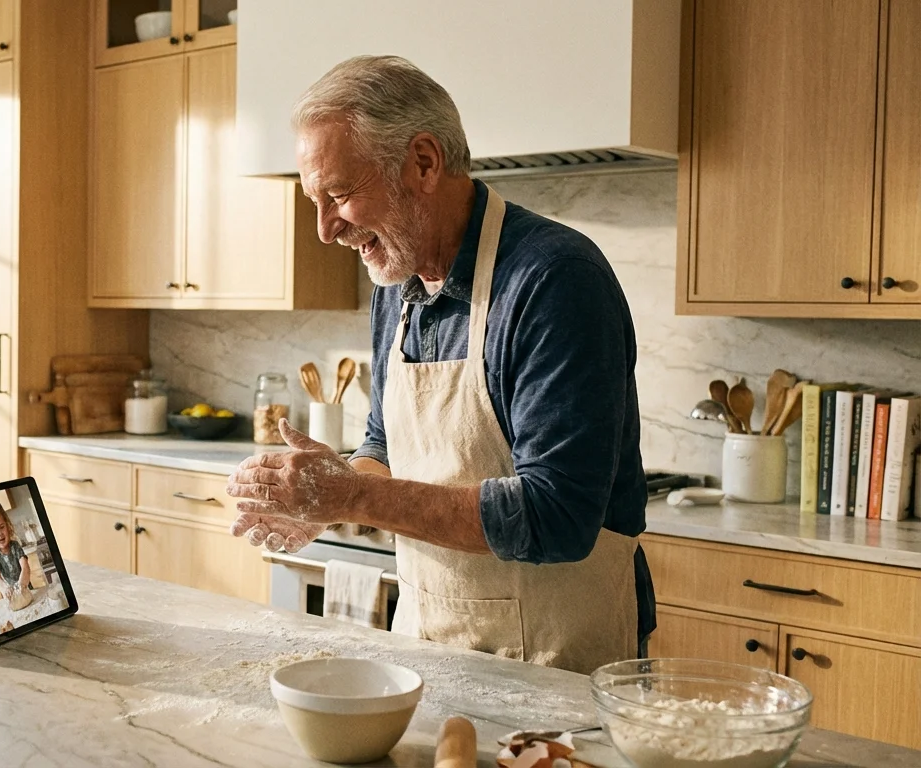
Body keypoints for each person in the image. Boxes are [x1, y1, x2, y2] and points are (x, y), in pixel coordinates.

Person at [225, 55, 652, 674]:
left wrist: (354, 496)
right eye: (315, 201)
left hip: (559, 670)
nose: (324, 231)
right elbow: (386, 449)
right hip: (426, 650)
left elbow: (557, 517)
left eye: (339, 195)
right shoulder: (396, 286)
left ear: (423, 162)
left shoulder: (553, 280)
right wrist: (328, 494)